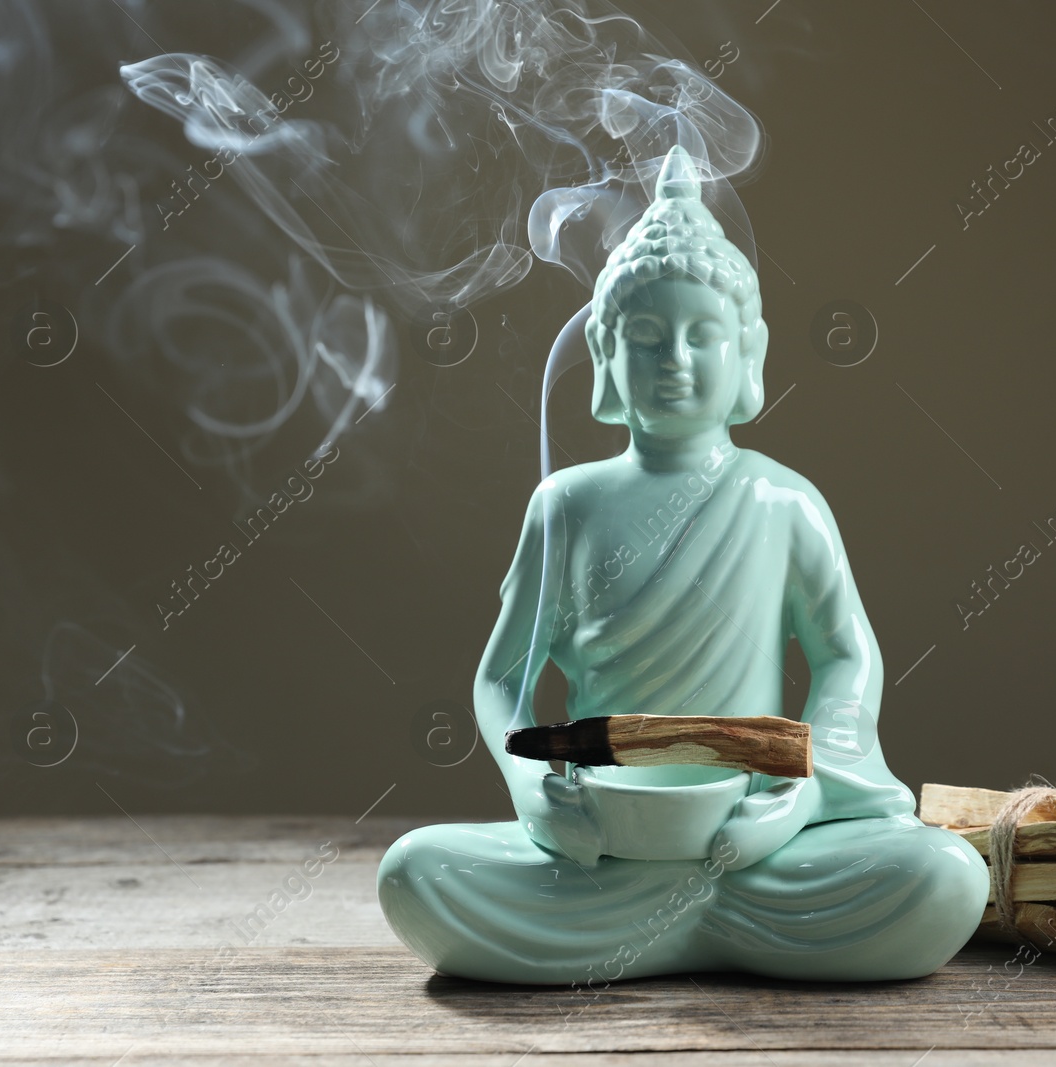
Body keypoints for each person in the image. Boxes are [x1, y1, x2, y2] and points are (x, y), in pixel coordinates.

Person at [378, 147, 988, 985]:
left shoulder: (783, 500)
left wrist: (803, 794)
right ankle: (707, 932)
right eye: (646, 336)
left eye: (705, 335)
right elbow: (500, 680)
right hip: (605, 843)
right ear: (604, 355)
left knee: (943, 875)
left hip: (748, 840)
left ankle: (666, 932)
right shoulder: (567, 504)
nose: (676, 360)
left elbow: (847, 655)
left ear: (751, 351)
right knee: (417, 869)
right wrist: (532, 796)